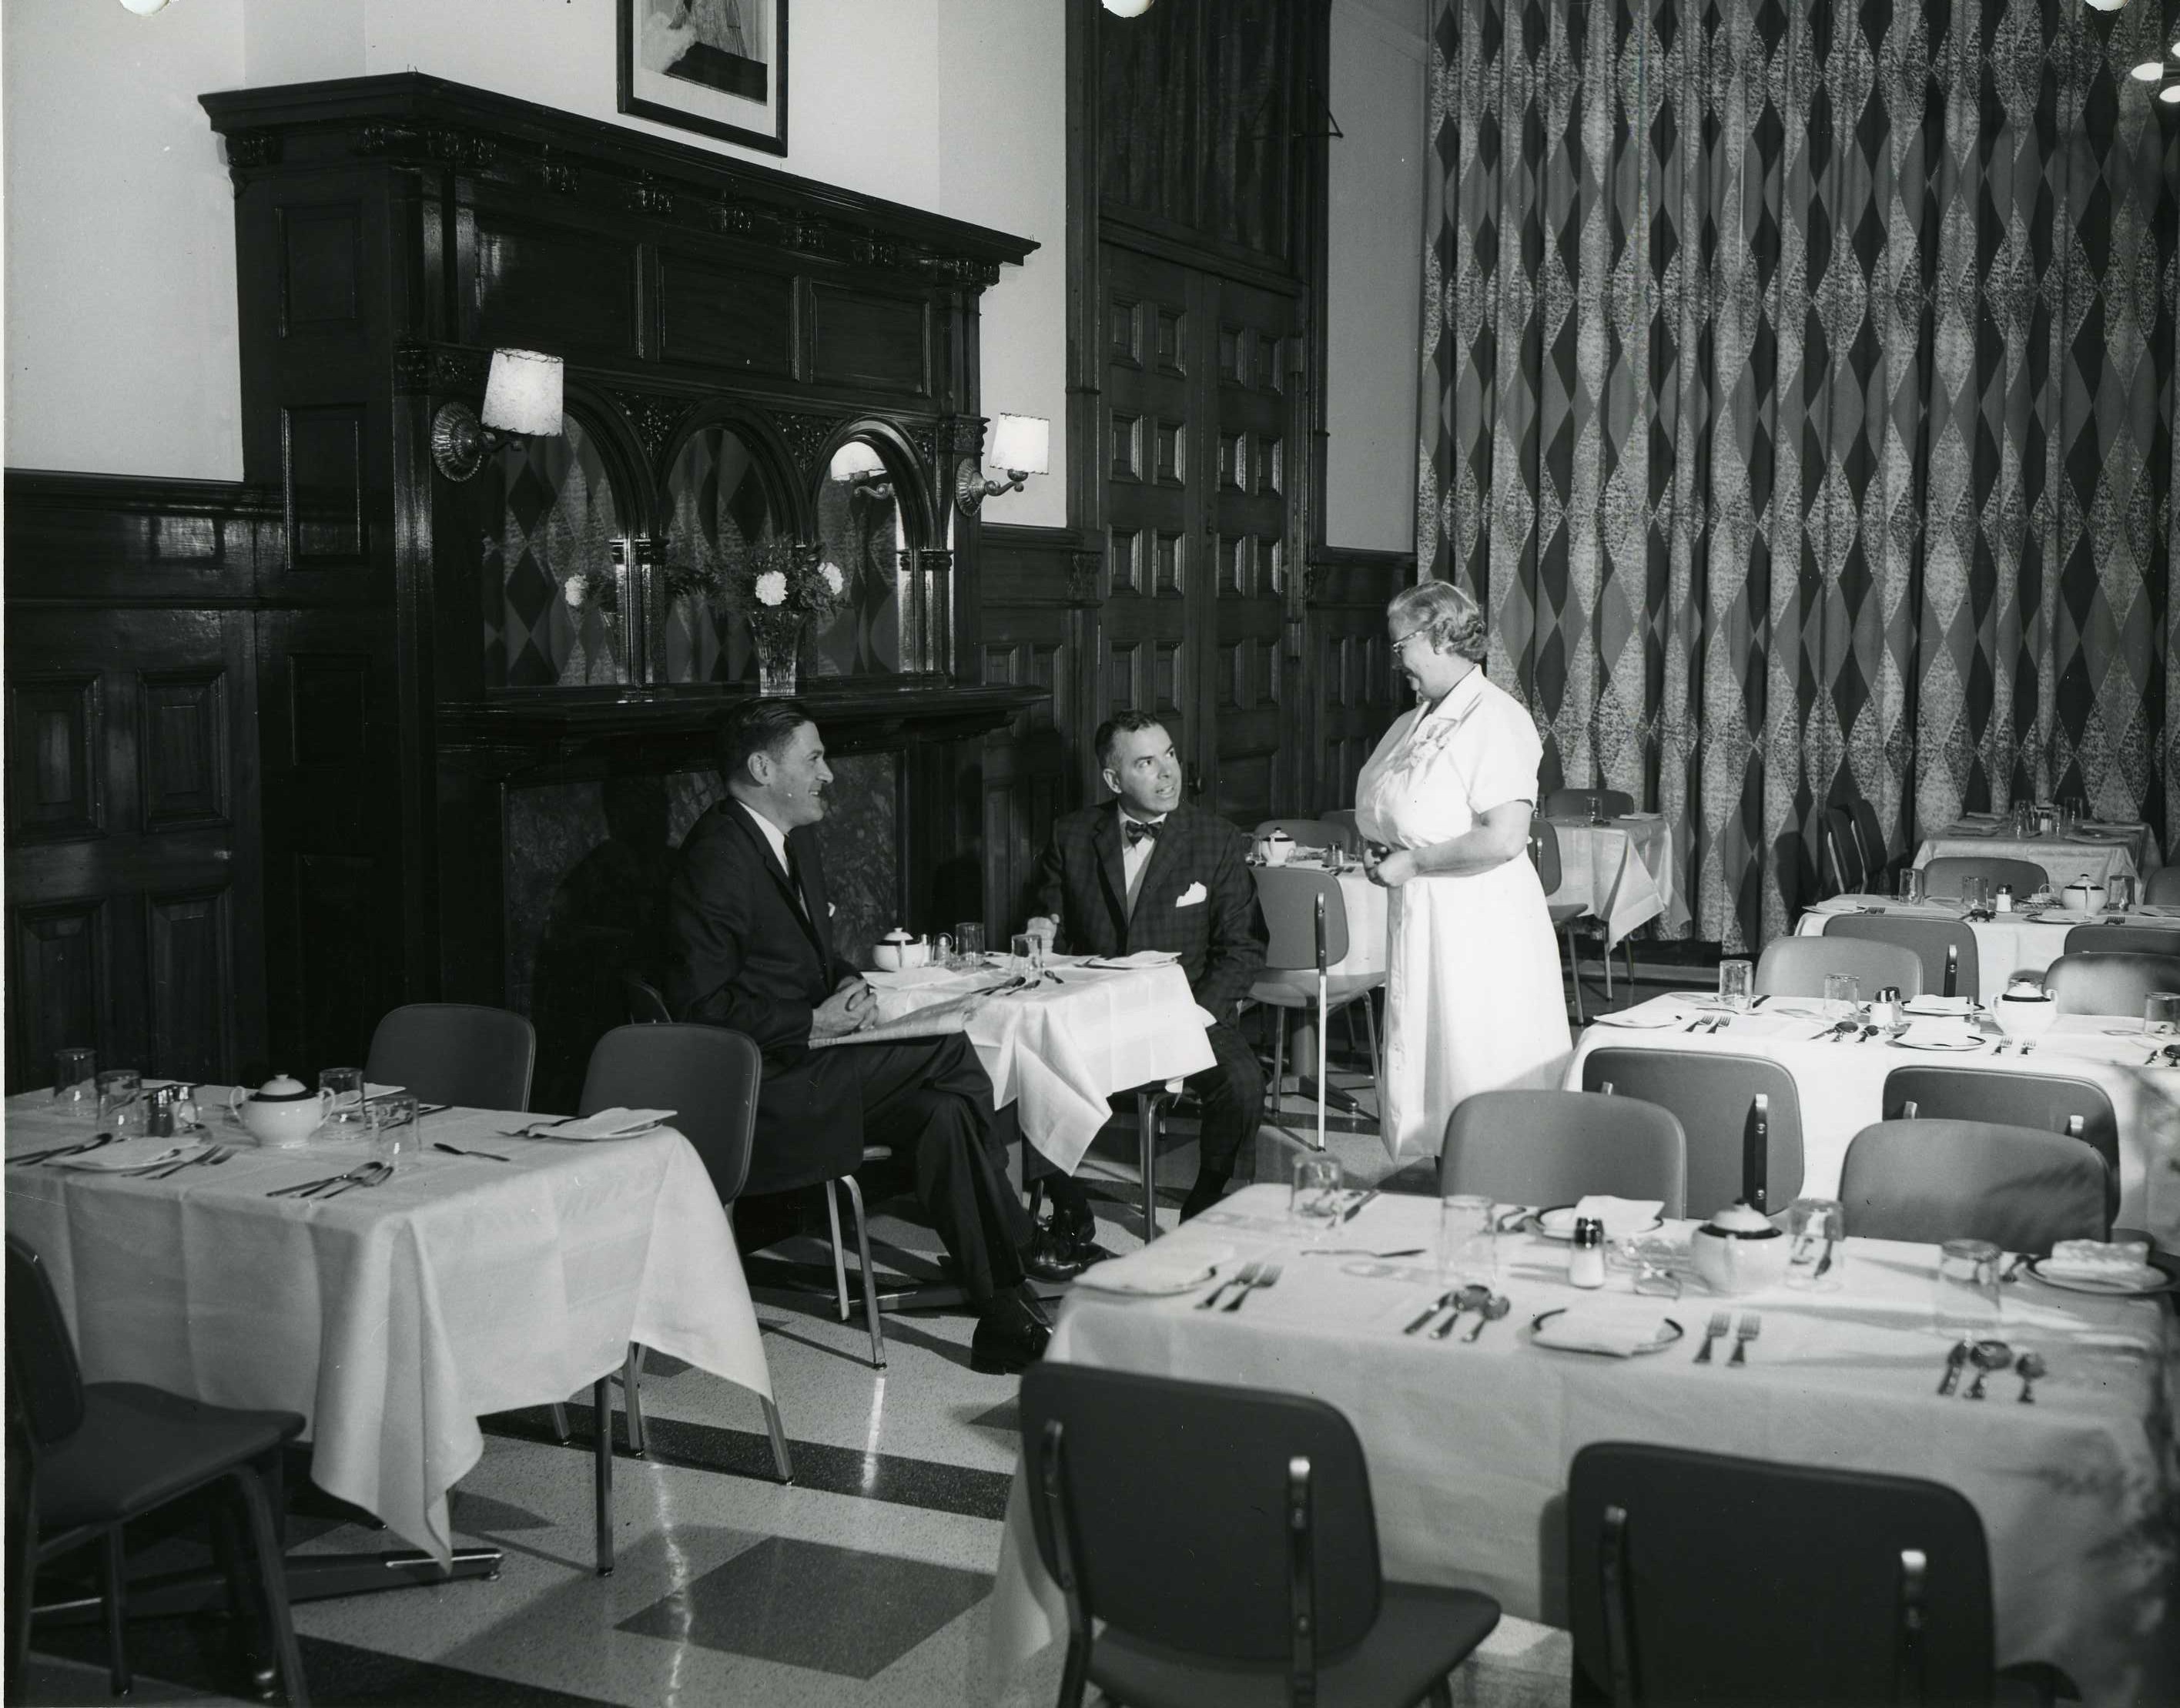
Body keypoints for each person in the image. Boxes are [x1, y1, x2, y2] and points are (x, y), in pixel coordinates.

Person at [662, 698, 1083, 1375]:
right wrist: (812, 1021)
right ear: (763, 767)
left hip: (813, 1067)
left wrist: (846, 987)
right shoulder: (716, 859)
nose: (830, 774)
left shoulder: (788, 840)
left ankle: (1000, 1307)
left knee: (945, 1112)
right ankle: (1021, 1237)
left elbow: (806, 955)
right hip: (761, 1088)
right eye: (815, 758)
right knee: (948, 1049)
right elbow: (698, 1007)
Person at [1355, 581, 1571, 1160]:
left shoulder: (1496, 718)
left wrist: (1415, 860)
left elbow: (1503, 838)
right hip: (1425, 912)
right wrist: (1385, 849)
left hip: (1479, 919)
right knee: (1432, 1056)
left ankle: (1496, 1176)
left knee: (1475, 1053)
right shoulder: (1413, 721)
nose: (1396, 658)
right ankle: (1447, 1174)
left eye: (1399, 644)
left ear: (1436, 638)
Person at [1030, 711, 1268, 1227]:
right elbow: (1051, 922)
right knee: (1020, 1069)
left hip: (1185, 1009)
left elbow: (1243, 946)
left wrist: (1198, 1015)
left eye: (1170, 756)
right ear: (1114, 779)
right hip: (1096, 1009)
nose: (1168, 773)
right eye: (1146, 762)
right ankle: (1068, 1203)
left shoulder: (1216, 839)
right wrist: (1041, 930)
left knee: (1243, 1083)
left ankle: (1205, 1197)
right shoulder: (1072, 834)